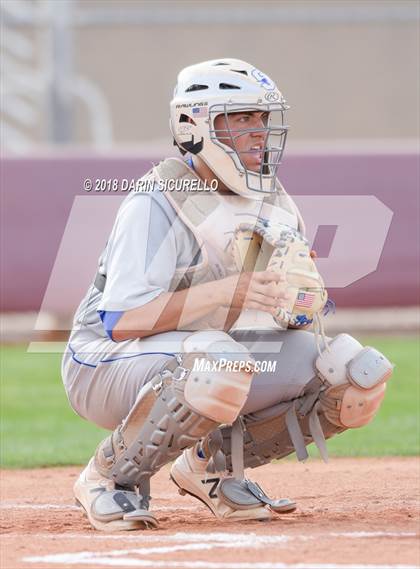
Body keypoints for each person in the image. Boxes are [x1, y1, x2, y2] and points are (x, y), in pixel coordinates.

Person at [62, 59, 393, 531]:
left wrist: (295, 303)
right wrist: (227, 290)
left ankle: (210, 468)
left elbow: (269, 319)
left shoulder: (272, 201)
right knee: (217, 362)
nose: (258, 131)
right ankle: (109, 479)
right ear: (194, 127)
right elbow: (122, 320)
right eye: (241, 119)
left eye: (261, 119)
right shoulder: (157, 201)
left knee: (351, 376)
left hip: (199, 355)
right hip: (103, 360)